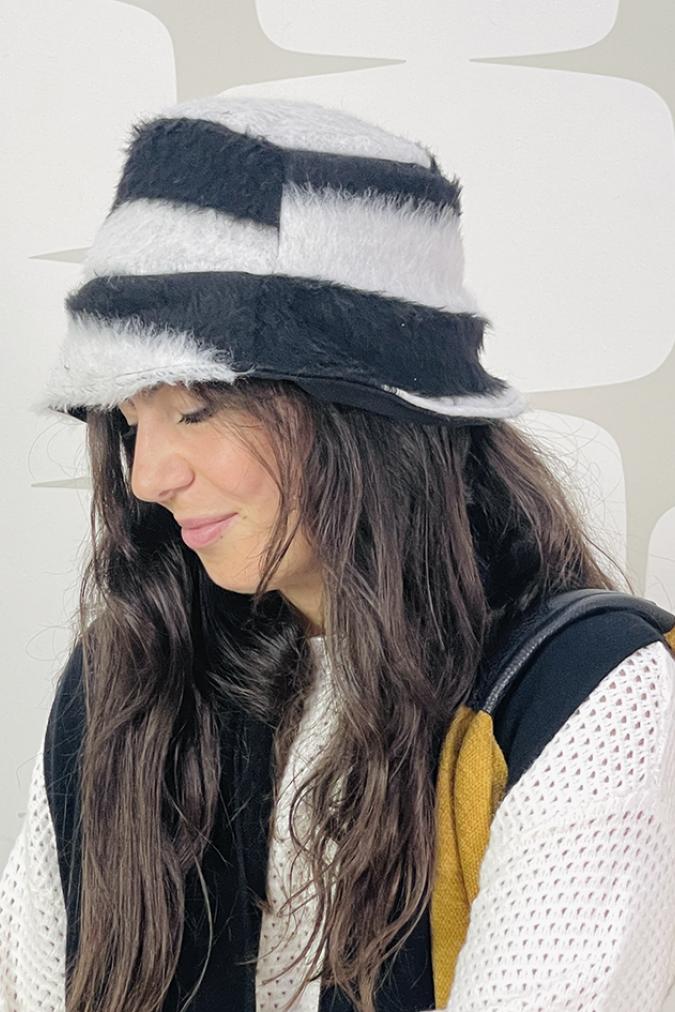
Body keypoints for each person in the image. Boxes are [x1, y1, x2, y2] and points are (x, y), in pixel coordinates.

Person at [1, 93, 674, 1012]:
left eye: (195, 408)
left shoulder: (581, 696)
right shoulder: (126, 685)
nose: (149, 476)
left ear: (367, 415)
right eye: (127, 421)